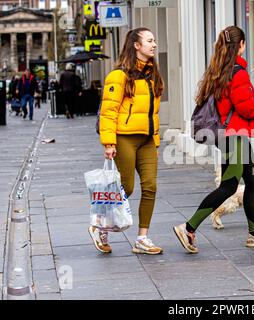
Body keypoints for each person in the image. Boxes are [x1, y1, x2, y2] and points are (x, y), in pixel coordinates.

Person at [173, 26, 254, 254]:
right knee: (229, 186)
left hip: (232, 137)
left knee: (253, 181)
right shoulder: (237, 73)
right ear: (240, 44)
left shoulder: (220, 71)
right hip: (234, 138)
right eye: (244, 42)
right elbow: (246, 107)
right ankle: (188, 227)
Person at [91, 27, 164, 255]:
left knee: (150, 187)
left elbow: (153, 112)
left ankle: (142, 238)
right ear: (136, 45)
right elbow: (109, 112)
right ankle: (99, 226)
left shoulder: (153, 74)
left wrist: (155, 138)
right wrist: (109, 143)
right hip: (125, 138)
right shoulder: (118, 76)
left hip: (147, 140)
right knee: (126, 187)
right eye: (149, 41)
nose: (154, 44)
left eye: (154, 40)